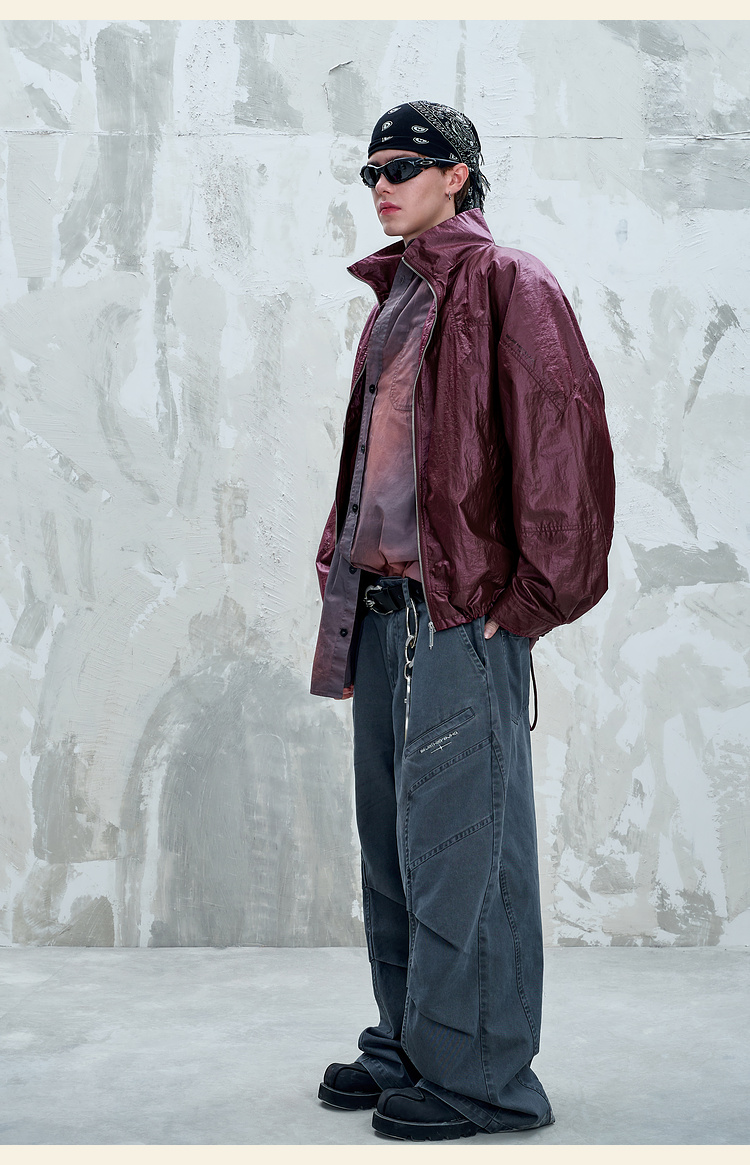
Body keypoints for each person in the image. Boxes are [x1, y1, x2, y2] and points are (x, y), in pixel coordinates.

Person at [309, 100, 615, 1141]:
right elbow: (374, 462)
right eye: (370, 171)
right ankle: (412, 1041)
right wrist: (339, 581)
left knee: (465, 851)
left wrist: (524, 604)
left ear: (459, 177)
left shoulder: (510, 284)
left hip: (464, 615)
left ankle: (483, 1078)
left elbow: (564, 445)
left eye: (404, 166)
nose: (381, 184)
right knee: (395, 846)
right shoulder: (398, 298)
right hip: (386, 608)